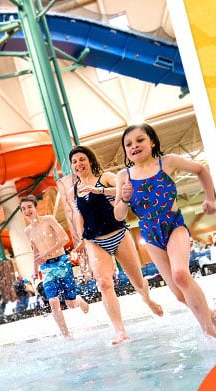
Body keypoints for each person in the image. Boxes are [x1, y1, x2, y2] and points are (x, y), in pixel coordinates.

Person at [116, 124, 216, 338]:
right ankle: (211, 314)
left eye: (140, 140)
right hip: (150, 234)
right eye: (128, 144)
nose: (134, 146)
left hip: (174, 225)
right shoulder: (124, 176)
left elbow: (201, 170)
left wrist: (210, 198)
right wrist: (125, 198)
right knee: (178, 294)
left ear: (152, 142)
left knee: (180, 275)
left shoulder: (168, 162)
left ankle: (209, 333)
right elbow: (119, 215)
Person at [56, 145, 163, 344]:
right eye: (74, 162)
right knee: (104, 283)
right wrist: (80, 239)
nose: (78, 164)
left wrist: (100, 190)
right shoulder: (75, 190)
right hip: (94, 240)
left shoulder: (104, 177)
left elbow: (127, 188)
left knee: (137, 281)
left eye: (82, 159)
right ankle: (119, 330)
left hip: (118, 233)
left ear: (90, 160)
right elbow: (80, 214)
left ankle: (147, 299)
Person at [19, 195, 89, 338]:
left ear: (35, 207)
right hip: (46, 267)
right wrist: (34, 270)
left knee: (70, 303)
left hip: (62, 262)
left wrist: (48, 252)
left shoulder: (48, 220)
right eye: (23, 209)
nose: (27, 211)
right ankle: (66, 335)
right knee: (53, 301)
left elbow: (65, 239)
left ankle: (79, 300)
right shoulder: (27, 231)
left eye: (29, 207)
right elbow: (36, 252)